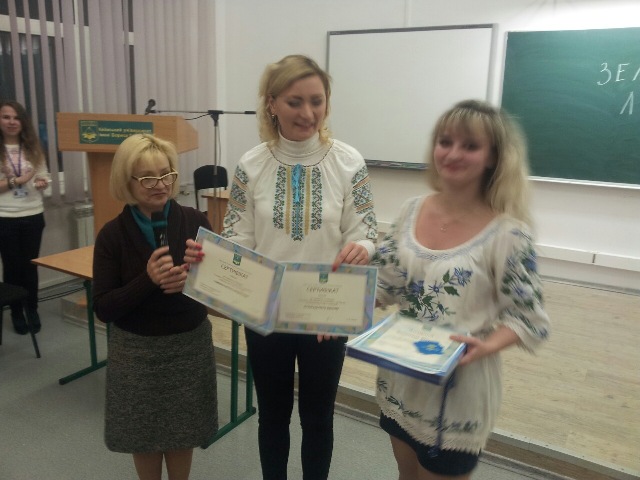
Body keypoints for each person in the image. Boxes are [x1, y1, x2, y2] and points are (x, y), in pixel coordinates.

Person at [186, 54, 377, 480]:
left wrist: (362, 248)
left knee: (318, 417)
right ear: (271, 103)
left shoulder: (349, 162)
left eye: (317, 101)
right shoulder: (251, 164)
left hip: (326, 311)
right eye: (295, 101)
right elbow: (238, 237)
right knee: (272, 415)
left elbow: (365, 231)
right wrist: (215, 265)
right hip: (265, 313)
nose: (308, 113)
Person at [371, 100, 551, 480]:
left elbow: (529, 318)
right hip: (400, 381)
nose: (452, 154)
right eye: (445, 141)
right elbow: (386, 282)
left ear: (493, 157)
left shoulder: (508, 233)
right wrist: (333, 303)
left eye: (470, 146)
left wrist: (487, 346)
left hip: (456, 394)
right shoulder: (410, 209)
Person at [92, 134, 218, 480]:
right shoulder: (112, 235)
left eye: (166, 174)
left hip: (188, 347)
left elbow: (219, 288)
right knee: (144, 438)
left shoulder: (195, 220)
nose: (160, 185)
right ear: (126, 181)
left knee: (182, 435)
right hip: (136, 353)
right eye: (148, 177)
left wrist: (194, 281)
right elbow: (103, 308)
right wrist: (147, 279)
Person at [0, 100, 50, 335]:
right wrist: (16, 181)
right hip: (5, 216)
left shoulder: (33, 148)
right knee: (12, 268)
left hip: (32, 213)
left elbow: (44, 176)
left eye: (16, 117)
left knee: (30, 267)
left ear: (23, 122)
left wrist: (41, 183)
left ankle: (32, 309)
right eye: (6, 117)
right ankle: (16, 312)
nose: (12, 122)